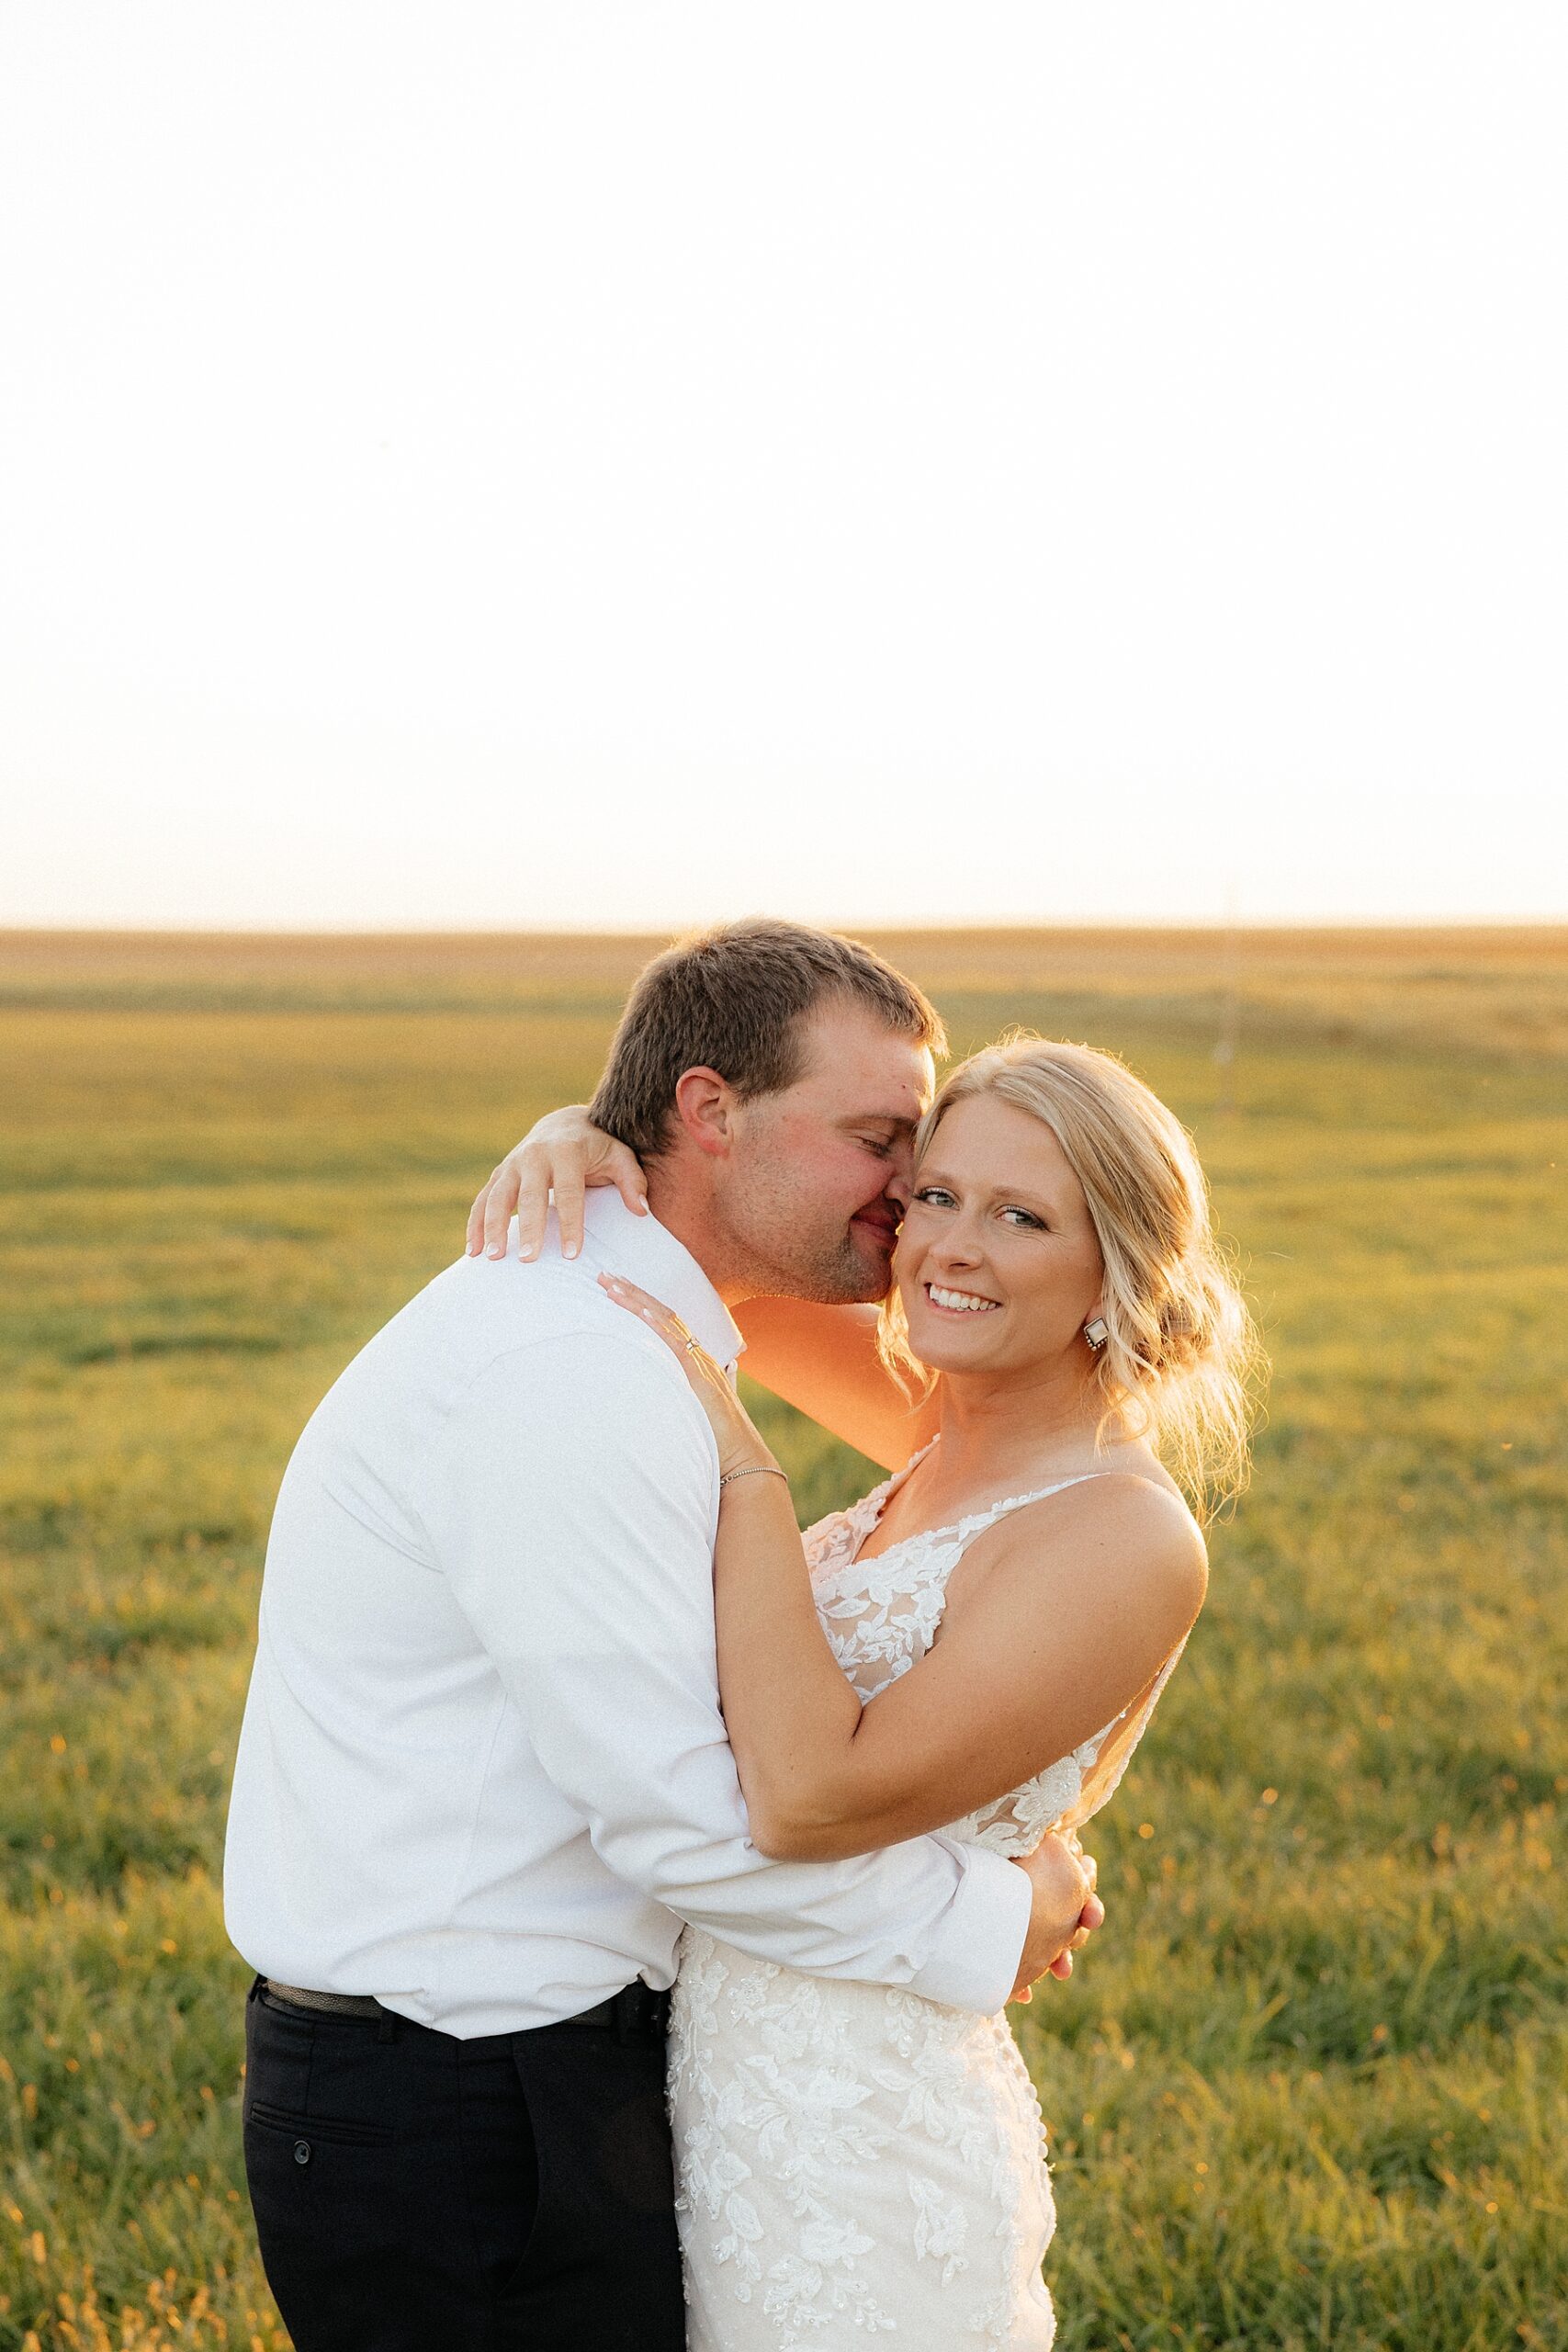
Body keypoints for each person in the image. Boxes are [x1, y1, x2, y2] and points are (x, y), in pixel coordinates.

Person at [222, 920, 1102, 2352]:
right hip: (458, 2105)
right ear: (708, 1109)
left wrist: (586, 1130)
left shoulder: (628, 1320)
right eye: (883, 1142)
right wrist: (993, 1921)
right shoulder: (579, 1361)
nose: (910, 1203)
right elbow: (684, 1827)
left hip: (559, 2075)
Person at [474, 1019, 1260, 2348]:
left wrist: (744, 1473)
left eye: (1021, 1216)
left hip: (869, 2143)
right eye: (935, 1198)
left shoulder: (1119, 1532)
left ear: (1116, 1268)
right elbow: (698, 1246)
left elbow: (810, 1796)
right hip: (709, 2093)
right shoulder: (946, 1425)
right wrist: (572, 1139)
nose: (950, 1247)